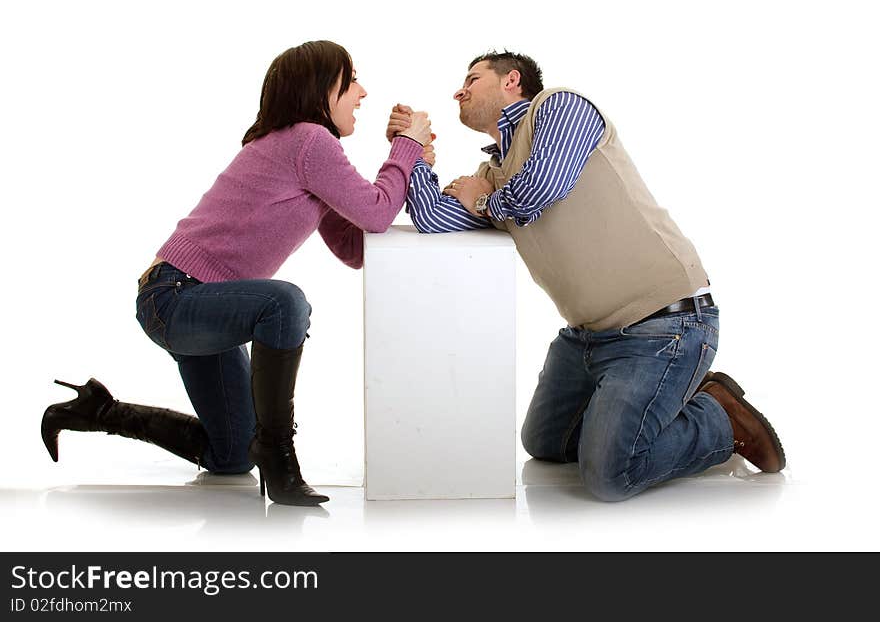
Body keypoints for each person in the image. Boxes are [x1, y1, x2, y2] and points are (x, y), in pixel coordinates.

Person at [41, 40, 433, 506]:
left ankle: (99, 410)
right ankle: (280, 455)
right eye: (350, 81)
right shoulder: (310, 139)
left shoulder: (307, 151)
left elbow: (355, 246)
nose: (362, 92)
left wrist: (414, 163)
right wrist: (405, 148)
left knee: (230, 455)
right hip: (175, 296)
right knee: (284, 301)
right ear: (320, 90)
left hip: (200, 306)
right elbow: (375, 211)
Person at [391, 51, 785, 502]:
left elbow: (542, 188)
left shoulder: (560, 108)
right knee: (545, 443)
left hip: (664, 325)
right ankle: (642, 414)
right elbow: (433, 219)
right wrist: (412, 152)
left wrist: (483, 202)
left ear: (511, 81)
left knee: (609, 476)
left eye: (472, 79)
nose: (458, 91)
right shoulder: (492, 174)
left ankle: (719, 419)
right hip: (587, 339)